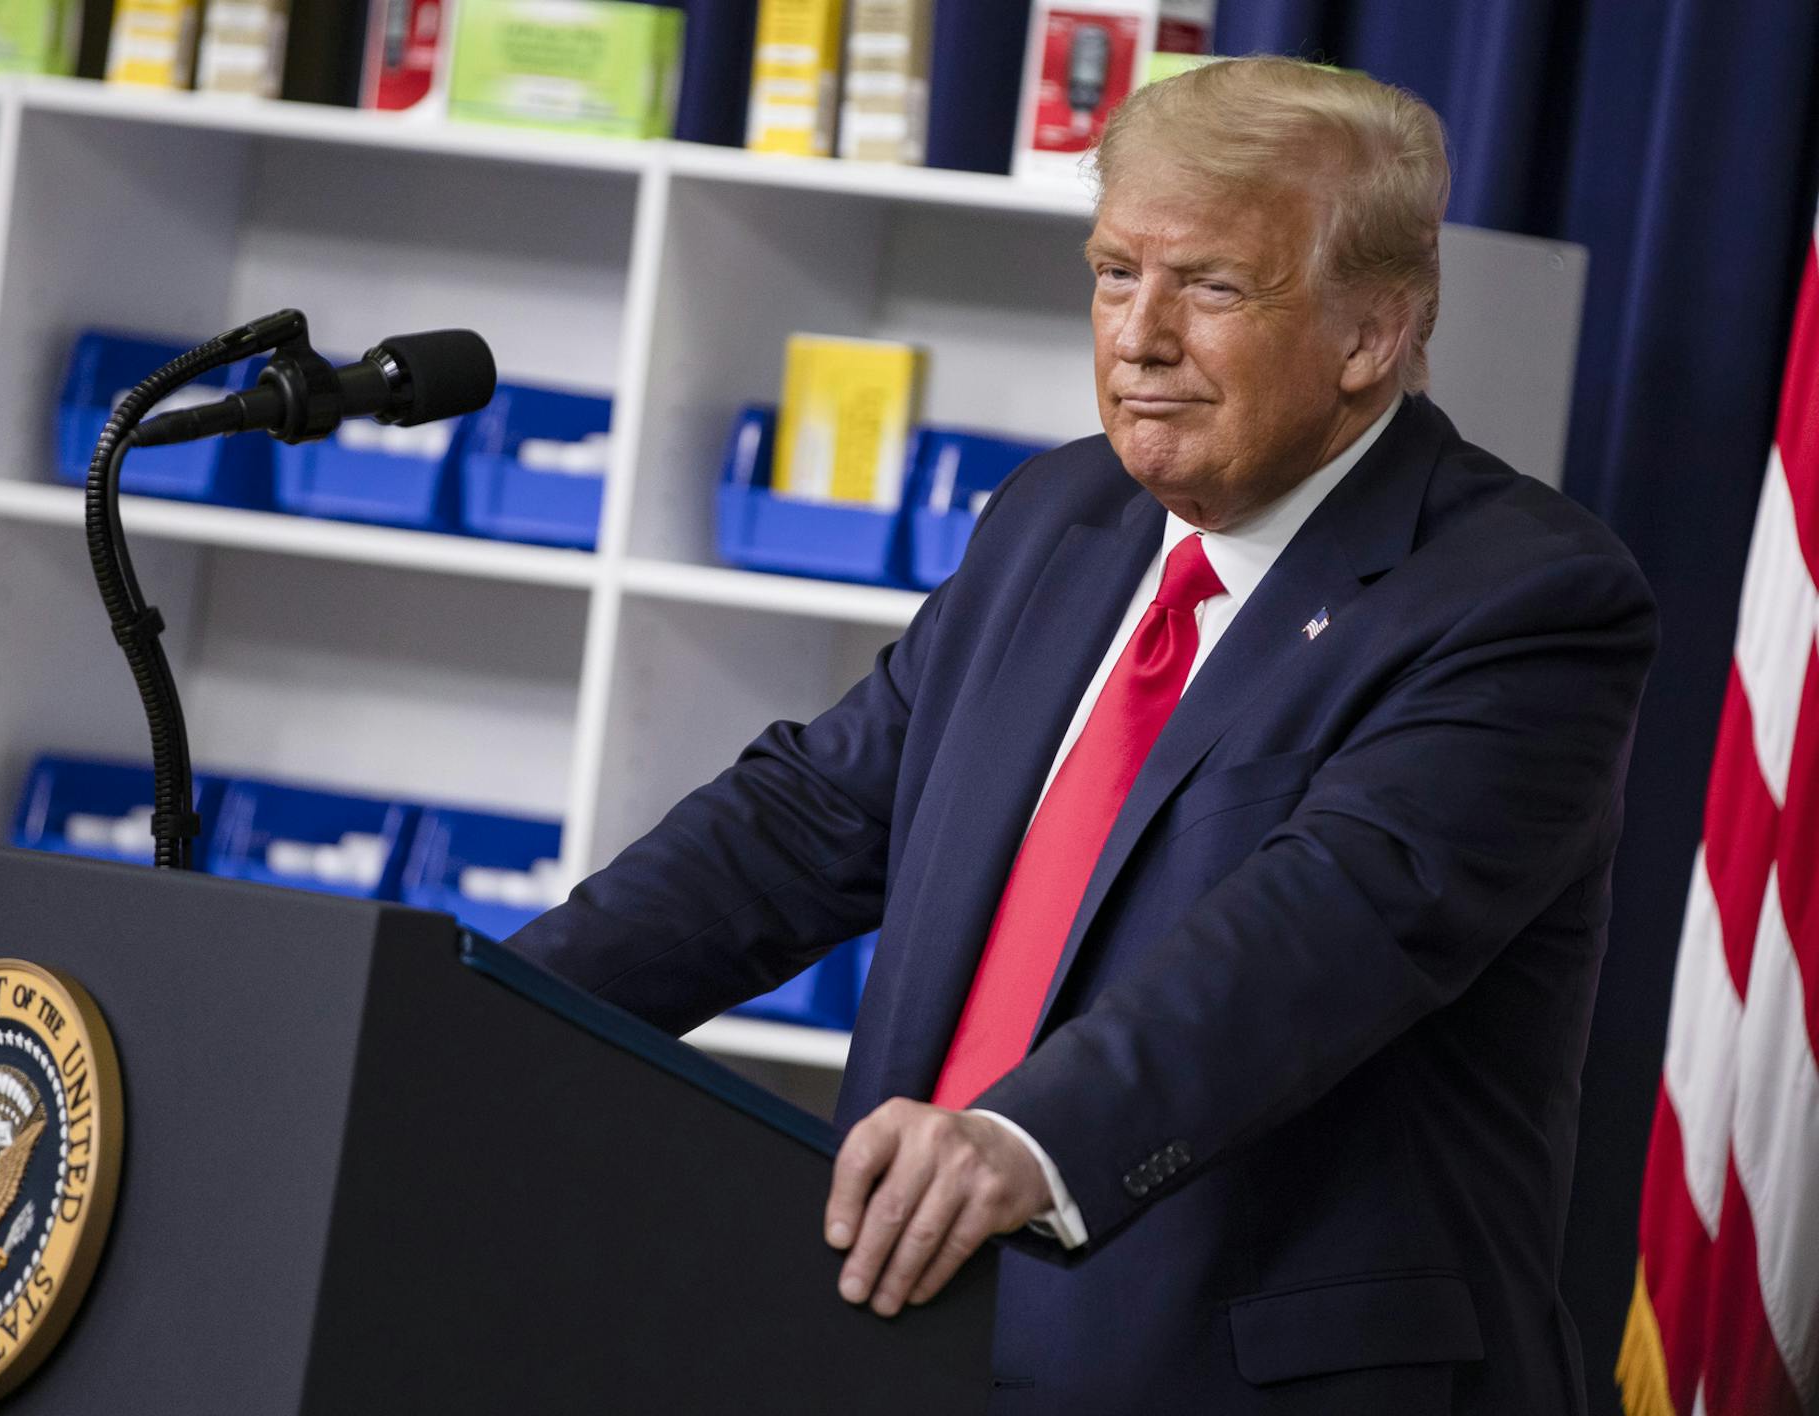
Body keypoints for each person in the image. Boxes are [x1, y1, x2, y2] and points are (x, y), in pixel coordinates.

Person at [509, 56, 1655, 1414]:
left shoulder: (1525, 599)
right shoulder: (1059, 517)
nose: (1140, 336)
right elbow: (806, 822)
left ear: (1371, 333)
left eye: (1213, 286)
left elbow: (1317, 936)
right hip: (909, 1336)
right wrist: (484, 1004)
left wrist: (1021, 1141)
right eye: (1116, 275)